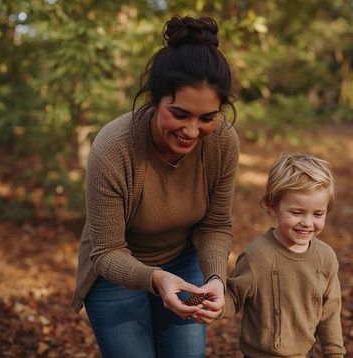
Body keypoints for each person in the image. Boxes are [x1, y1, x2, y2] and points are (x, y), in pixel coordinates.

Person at [70, 15, 239, 358]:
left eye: (207, 117)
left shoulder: (222, 142)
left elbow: (215, 226)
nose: (192, 131)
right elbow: (106, 252)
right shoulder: (113, 148)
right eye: (179, 114)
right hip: (114, 273)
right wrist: (156, 278)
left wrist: (216, 279)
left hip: (183, 260)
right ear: (154, 99)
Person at [222, 153, 346, 358]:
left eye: (317, 214)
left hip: (306, 354)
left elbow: (330, 312)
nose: (307, 222)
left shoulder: (325, 257)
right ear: (273, 206)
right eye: (297, 213)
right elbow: (233, 297)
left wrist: (335, 353)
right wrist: (210, 303)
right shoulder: (257, 256)